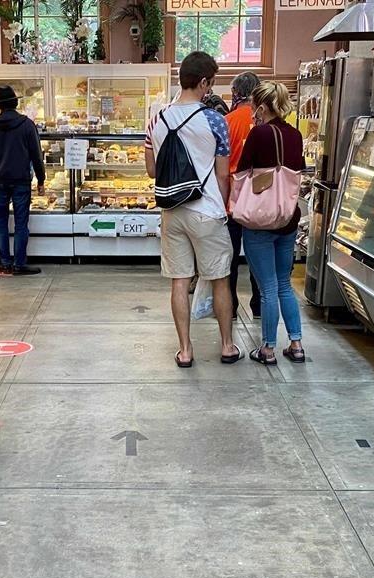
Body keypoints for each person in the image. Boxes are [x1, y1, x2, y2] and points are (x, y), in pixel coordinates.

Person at [145, 51, 242, 368]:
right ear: (203, 82)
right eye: (210, 84)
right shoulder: (214, 120)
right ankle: (227, 345)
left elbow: (151, 170)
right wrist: (223, 207)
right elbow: (223, 173)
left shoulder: (156, 119)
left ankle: (185, 350)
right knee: (220, 279)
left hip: (172, 210)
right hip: (207, 210)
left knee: (178, 281)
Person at [239, 81, 306, 366]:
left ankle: (267, 349)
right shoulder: (295, 134)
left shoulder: (259, 133)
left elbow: (242, 170)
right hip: (287, 219)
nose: (253, 112)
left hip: (260, 220)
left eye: (254, 107)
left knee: (266, 287)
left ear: (262, 107)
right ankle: (296, 344)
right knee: (283, 284)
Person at [0, 85, 45, 276]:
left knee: (0, 222)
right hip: (21, 180)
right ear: (16, 103)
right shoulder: (26, 125)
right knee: (21, 223)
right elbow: (36, 155)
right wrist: (41, 179)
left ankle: (5, 263)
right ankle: (19, 264)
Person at [224, 71, 261, 319]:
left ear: (236, 92)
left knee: (230, 257)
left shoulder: (228, 121)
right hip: (260, 198)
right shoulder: (266, 120)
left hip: (233, 198)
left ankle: (231, 307)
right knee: (258, 255)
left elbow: (220, 164)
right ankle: (259, 305)